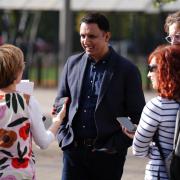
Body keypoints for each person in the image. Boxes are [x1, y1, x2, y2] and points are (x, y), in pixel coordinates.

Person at [54, 12, 145, 180]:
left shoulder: (127, 70)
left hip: (109, 157)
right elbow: (59, 106)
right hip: (73, 154)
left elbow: (137, 116)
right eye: (82, 35)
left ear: (107, 36)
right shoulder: (71, 64)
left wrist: (115, 146)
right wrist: (63, 138)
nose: (86, 41)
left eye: (92, 36)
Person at [0, 44, 68, 179]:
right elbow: (42, 142)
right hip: (20, 174)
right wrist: (57, 122)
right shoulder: (27, 101)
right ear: (17, 71)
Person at [130, 45, 180, 180]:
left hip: (161, 174)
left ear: (165, 71)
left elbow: (138, 150)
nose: (148, 74)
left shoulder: (157, 106)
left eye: (152, 68)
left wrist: (155, 148)